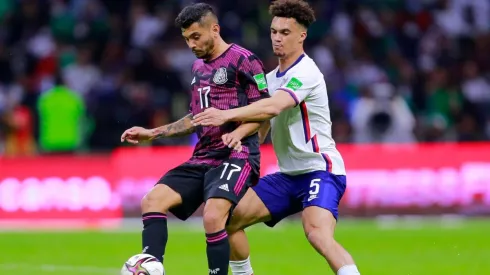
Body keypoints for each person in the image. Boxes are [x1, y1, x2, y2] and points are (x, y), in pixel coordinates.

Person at [192, 0, 361, 274]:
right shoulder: (269, 79)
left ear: (302, 36)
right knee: (227, 219)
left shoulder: (306, 72)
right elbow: (261, 120)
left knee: (317, 232)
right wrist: (239, 138)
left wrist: (225, 115)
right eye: (274, 31)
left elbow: (273, 106)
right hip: (287, 176)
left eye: (285, 32)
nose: (277, 38)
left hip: (321, 170)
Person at [120, 3, 269, 275]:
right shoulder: (198, 67)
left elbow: (265, 111)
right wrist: (152, 133)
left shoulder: (243, 59)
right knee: (152, 201)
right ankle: (151, 267)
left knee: (213, 217)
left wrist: (237, 132)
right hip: (203, 156)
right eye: (186, 38)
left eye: (196, 37)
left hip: (237, 155)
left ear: (215, 29)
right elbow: (195, 117)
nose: (191, 43)